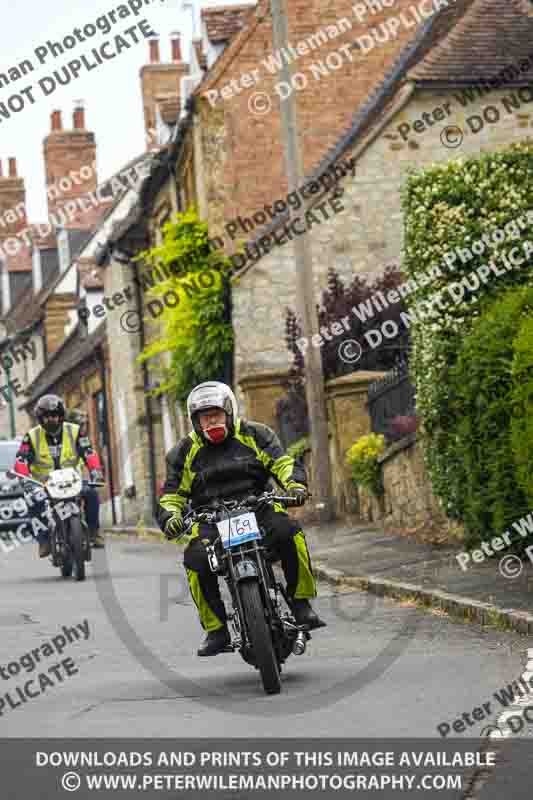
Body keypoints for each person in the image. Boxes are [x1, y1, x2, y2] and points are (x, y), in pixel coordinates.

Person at [157, 381, 326, 657]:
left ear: (229, 412)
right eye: (204, 416)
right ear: (195, 421)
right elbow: (171, 495)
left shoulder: (256, 434)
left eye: (215, 413)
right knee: (195, 559)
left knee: (289, 532)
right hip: (211, 518)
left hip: (258, 507)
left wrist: (294, 485)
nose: (211, 420)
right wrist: (171, 517)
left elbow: (281, 462)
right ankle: (216, 630)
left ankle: (301, 604)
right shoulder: (182, 452)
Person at [14, 394, 105, 557]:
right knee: (33, 502)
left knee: (91, 493)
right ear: (40, 418)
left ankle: (93, 531)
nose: (51, 420)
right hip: (44, 485)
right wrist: (24, 479)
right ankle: (43, 540)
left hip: (72, 481)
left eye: (55, 416)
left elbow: (89, 453)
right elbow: (21, 460)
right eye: (47, 417)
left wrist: (96, 472)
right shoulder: (31, 436)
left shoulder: (75, 431)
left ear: (61, 416)